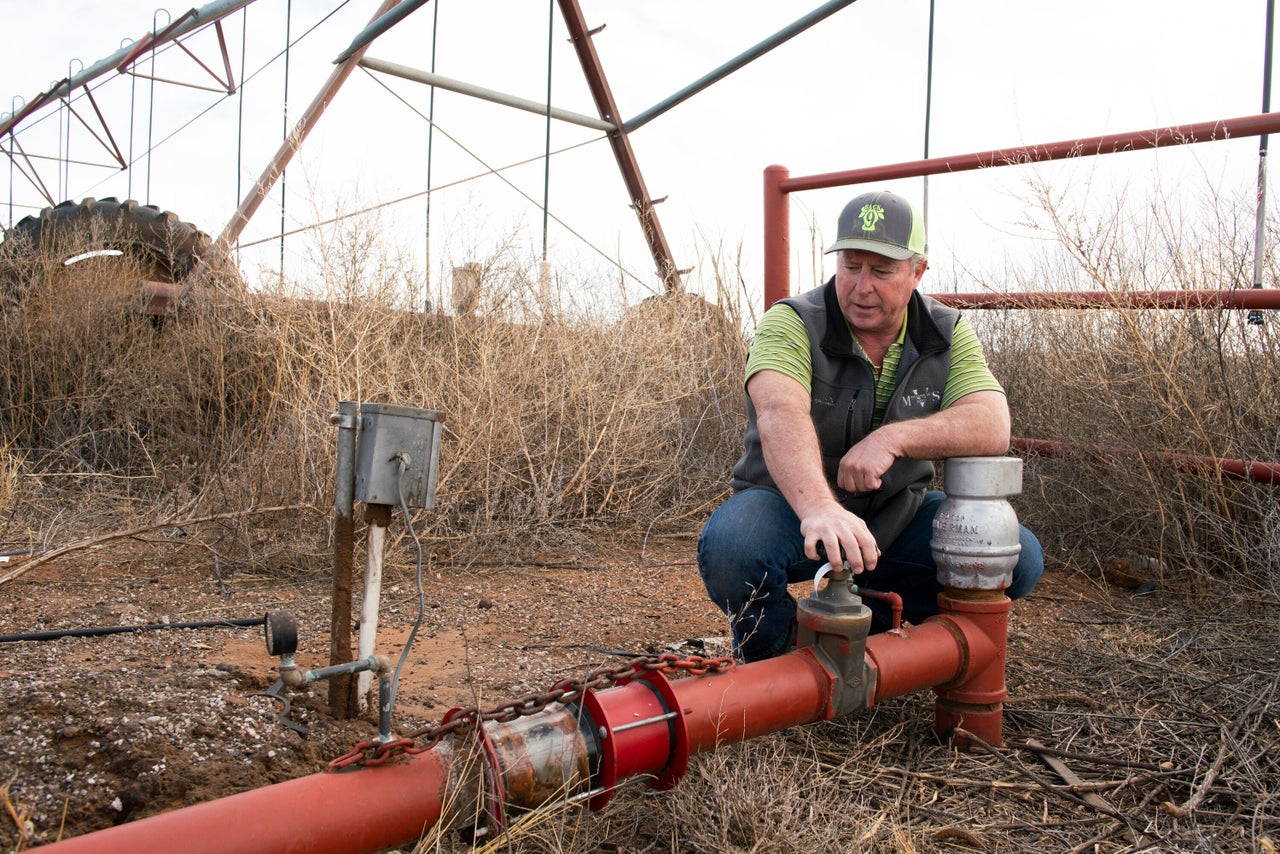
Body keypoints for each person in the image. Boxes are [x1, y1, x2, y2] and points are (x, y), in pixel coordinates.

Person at [698, 189, 1043, 663]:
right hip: (793, 513)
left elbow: (990, 421)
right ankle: (778, 655)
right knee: (735, 544)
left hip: (895, 520)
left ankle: (871, 643)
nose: (862, 286)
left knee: (1016, 556)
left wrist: (894, 438)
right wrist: (820, 507)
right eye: (850, 266)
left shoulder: (946, 330)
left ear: (917, 271)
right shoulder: (792, 322)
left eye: (881, 271)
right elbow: (779, 410)